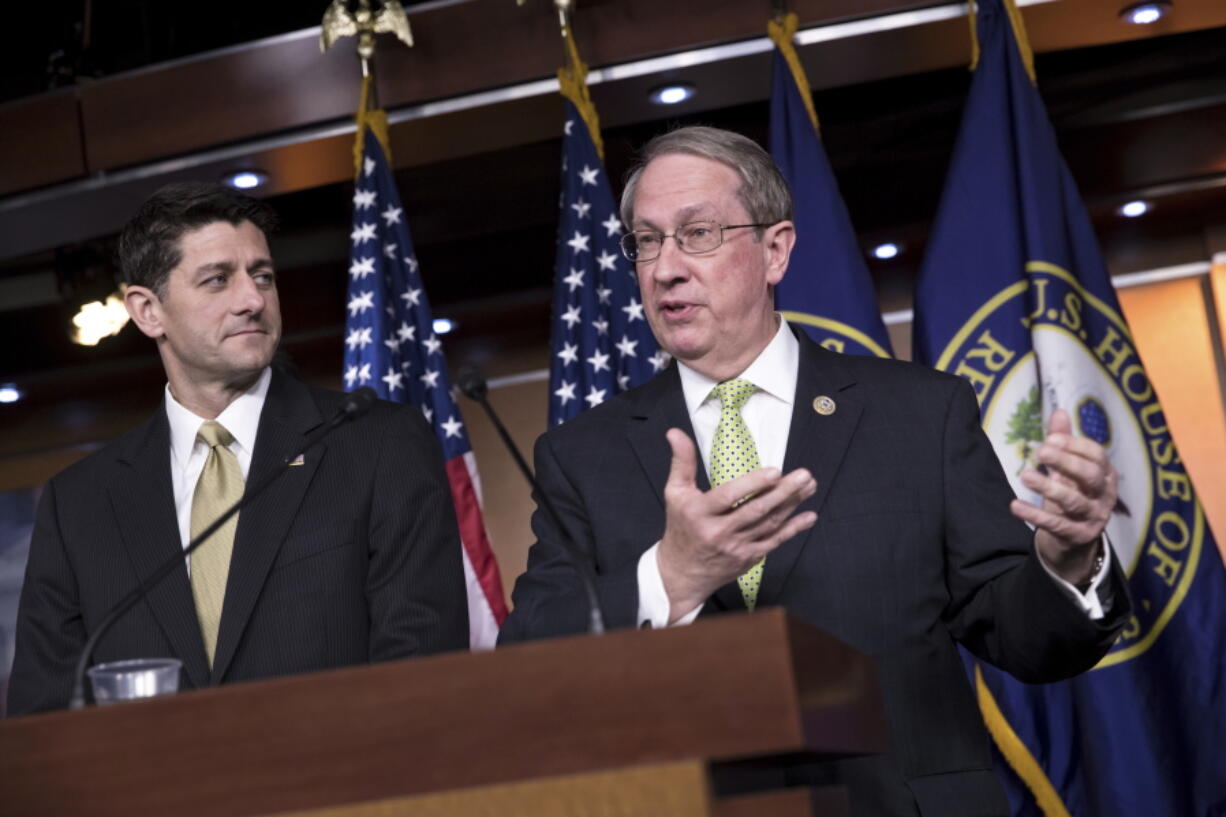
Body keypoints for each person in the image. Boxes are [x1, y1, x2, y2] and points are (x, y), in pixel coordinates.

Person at [498, 126, 1129, 815]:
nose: (665, 267)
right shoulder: (582, 454)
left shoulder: (920, 414)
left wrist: (1069, 560)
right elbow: (532, 669)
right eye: (646, 240)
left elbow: (1026, 639)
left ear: (776, 250)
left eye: (697, 233)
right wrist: (670, 576)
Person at [8, 182, 468, 715]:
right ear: (147, 311)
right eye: (217, 280)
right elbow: (42, 716)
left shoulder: (379, 444)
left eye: (263, 276)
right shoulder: (79, 504)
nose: (253, 300)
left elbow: (422, 670)